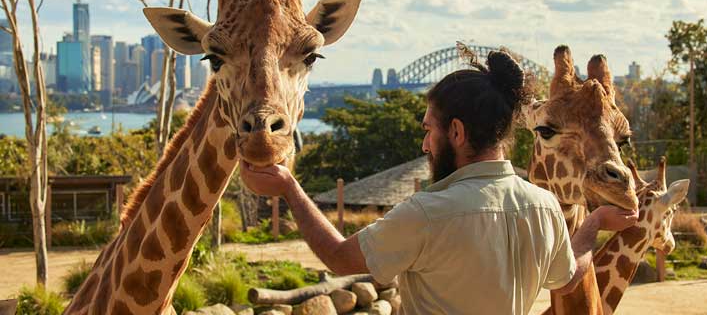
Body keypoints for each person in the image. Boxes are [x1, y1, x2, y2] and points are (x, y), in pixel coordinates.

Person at [239, 50, 638, 314]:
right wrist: (594, 224)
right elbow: (570, 277)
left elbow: (341, 258)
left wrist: (289, 187)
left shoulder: (428, 213)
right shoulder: (543, 206)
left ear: (458, 133)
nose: (425, 142)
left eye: (430, 129)